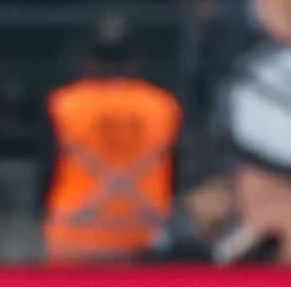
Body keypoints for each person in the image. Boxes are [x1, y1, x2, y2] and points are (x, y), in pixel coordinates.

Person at [40, 34, 184, 262]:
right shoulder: (162, 105)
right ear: (135, 64)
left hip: (74, 235)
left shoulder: (65, 104)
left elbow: (45, 167)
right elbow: (178, 169)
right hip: (144, 235)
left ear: (89, 63)